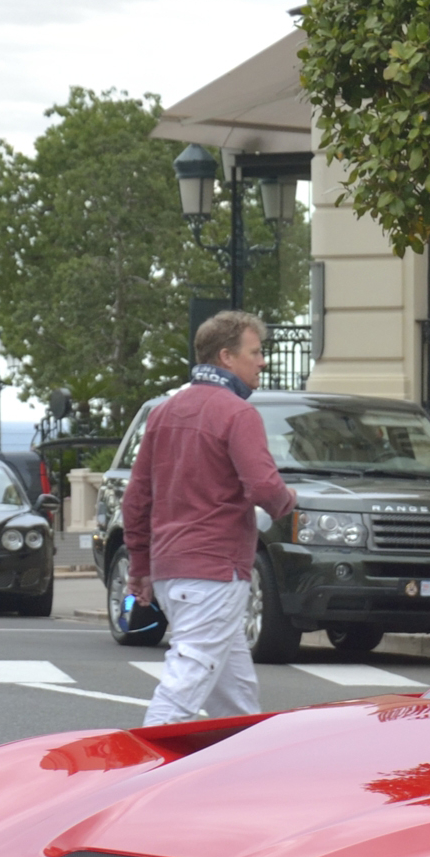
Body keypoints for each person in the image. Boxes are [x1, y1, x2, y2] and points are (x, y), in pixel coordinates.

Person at [124, 310, 296, 726]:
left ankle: (240, 771)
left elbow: (136, 499)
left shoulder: (163, 413)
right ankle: (144, 771)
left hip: (170, 570)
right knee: (187, 678)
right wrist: (288, 502)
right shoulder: (237, 413)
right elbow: (263, 486)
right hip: (215, 570)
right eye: (255, 352)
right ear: (226, 357)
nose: (263, 361)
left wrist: (140, 568)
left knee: (234, 694)